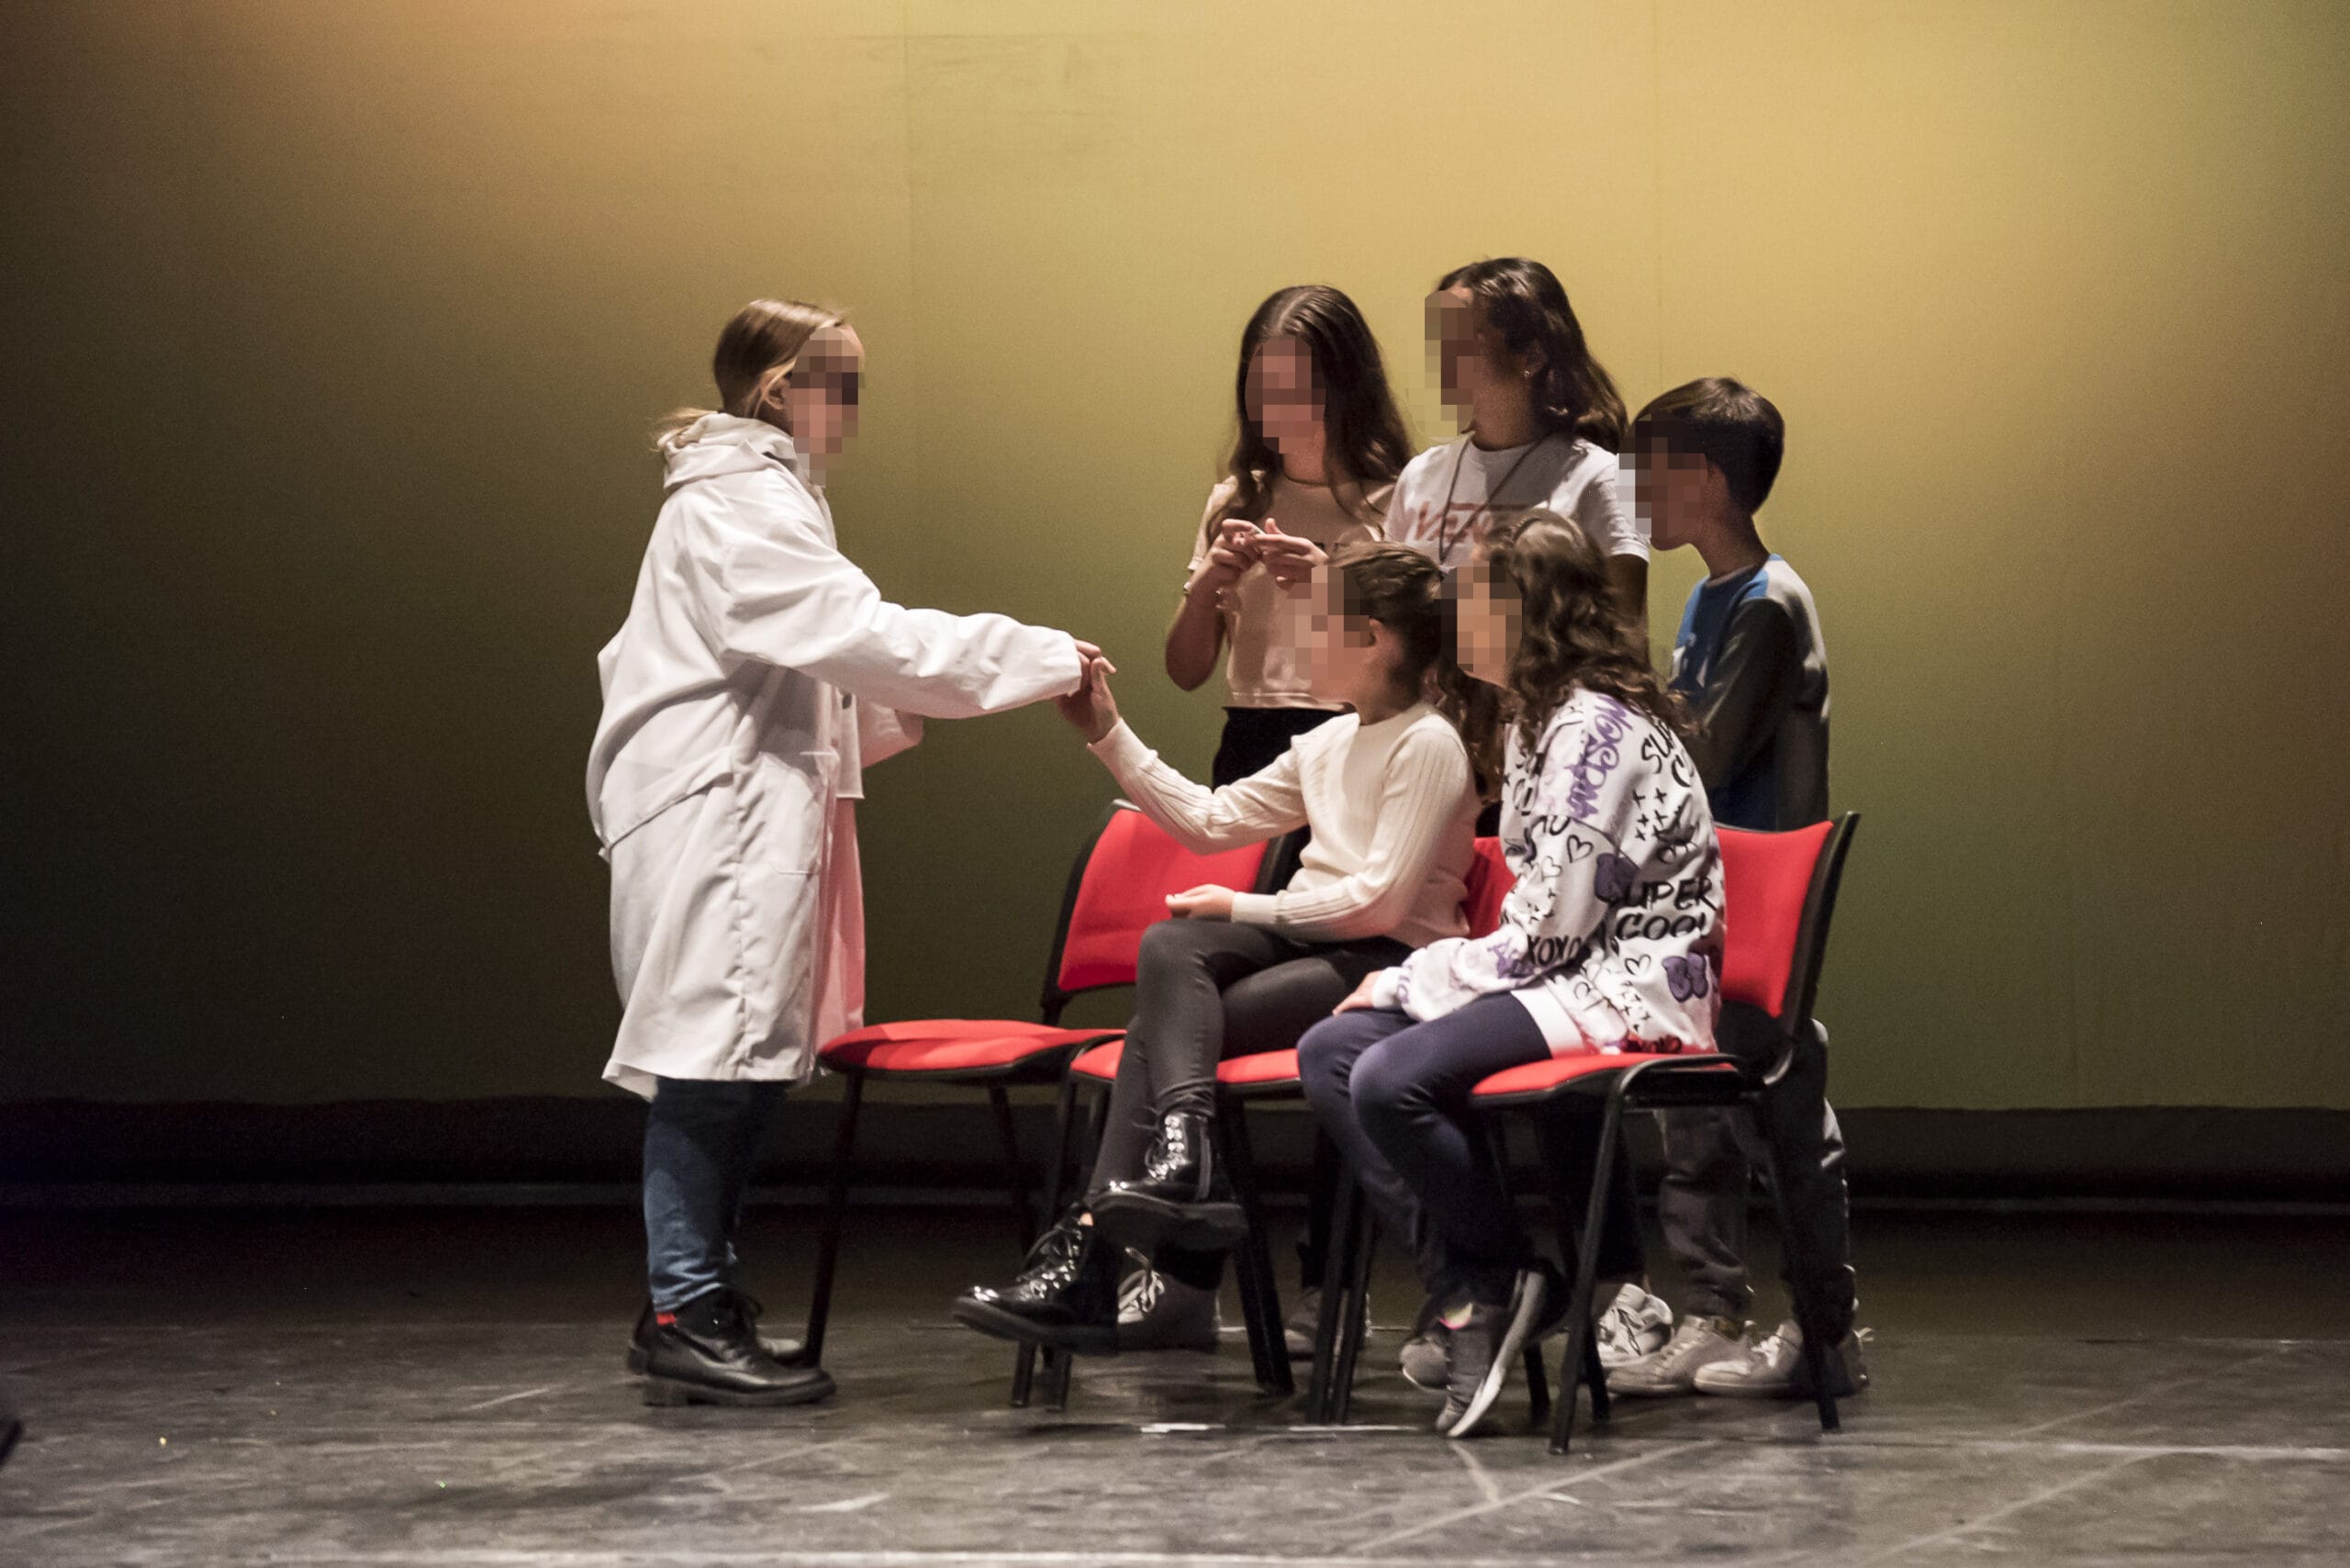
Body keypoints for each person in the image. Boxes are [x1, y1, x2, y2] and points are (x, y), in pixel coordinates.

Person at [588, 298, 1099, 1407]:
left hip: (747, 807)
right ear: (783, 392)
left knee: (747, 1061)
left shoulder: (772, 494)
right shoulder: (738, 500)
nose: (859, 411)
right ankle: (683, 1305)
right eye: (845, 386)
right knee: (708, 1062)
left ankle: (692, 1292)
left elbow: (825, 665)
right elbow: (856, 634)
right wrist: (1036, 655)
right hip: (718, 812)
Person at [950, 543, 1483, 1360]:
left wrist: (1242, 905)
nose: (1299, 641)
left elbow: (1377, 902)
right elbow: (1208, 820)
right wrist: (1108, 733)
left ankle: (1106, 1247)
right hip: (1316, 938)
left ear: (1373, 638)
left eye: (1318, 623)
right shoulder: (1329, 742)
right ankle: (1181, 1161)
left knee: (1157, 1030)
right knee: (1172, 947)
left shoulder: (1429, 743)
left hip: (1388, 963)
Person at [1296, 510, 1723, 1438]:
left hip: (1629, 987)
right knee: (1331, 1051)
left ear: (1525, 613)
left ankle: (1492, 1286)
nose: (1456, 619)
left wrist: (1409, 979)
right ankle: (1477, 1287)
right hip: (1566, 976)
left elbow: (1548, 937)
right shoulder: (1534, 719)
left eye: (1474, 601)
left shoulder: (1593, 730)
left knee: (1389, 1074)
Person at [1149, 284, 1415, 1357]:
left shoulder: (1394, 498)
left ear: (1343, 382)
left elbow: (1428, 659)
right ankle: (1186, 1271)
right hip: (1252, 747)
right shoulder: (1235, 495)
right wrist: (1209, 584)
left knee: (1334, 1017)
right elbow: (1184, 667)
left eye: (1297, 381)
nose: (1277, 404)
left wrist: (1334, 584)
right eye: (1262, 382)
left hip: (1355, 745)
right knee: (1199, 996)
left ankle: (1328, 1287)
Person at [1607, 375, 1867, 1402]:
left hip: (1759, 911)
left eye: (1652, 471)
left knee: (1778, 1113)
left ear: (1708, 480)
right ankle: (1714, 1311)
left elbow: (1707, 756)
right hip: (1697, 900)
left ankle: (1824, 1330)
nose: (1637, 493)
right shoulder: (1708, 597)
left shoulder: (1768, 604)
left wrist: (1622, 688)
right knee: (1695, 1122)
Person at [1256, 259, 1645, 633]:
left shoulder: (1601, 478)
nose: (1441, 360)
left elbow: (1619, 639)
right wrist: (1334, 584)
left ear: (1532, 355)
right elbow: (1394, 630)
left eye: (1461, 341)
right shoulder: (1422, 475)